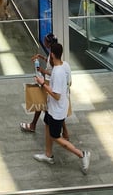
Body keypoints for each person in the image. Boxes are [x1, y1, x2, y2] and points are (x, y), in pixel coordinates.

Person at [33, 42, 90, 173]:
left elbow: (56, 95)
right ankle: (48, 155)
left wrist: (43, 84)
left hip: (56, 110)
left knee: (55, 136)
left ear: (52, 55)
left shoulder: (58, 72)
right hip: (56, 107)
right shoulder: (65, 66)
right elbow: (68, 83)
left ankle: (82, 154)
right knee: (47, 124)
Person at [20, 32, 69, 138]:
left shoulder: (52, 57)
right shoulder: (53, 53)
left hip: (49, 83)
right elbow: (50, 64)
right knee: (43, 104)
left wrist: (42, 72)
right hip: (50, 83)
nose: (43, 42)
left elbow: (52, 70)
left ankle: (33, 125)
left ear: (48, 43)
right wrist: (41, 57)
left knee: (40, 102)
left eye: (45, 41)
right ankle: (64, 132)